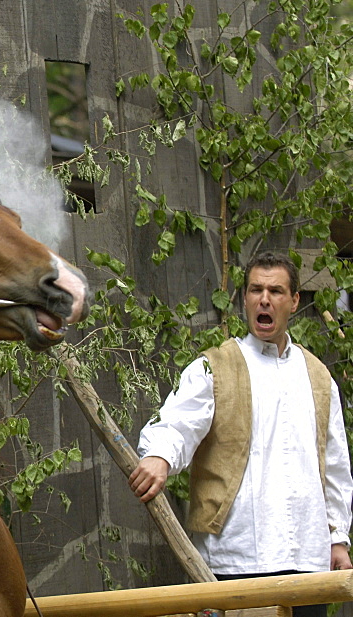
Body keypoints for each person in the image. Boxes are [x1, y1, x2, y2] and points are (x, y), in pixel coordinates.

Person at [130, 252, 353, 617]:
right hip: (234, 561)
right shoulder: (214, 366)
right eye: (255, 290)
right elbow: (176, 424)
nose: (264, 299)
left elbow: (335, 467)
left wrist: (338, 539)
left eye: (276, 291)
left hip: (308, 563)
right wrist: (160, 455)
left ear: (294, 301)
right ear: (245, 299)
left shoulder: (319, 377)